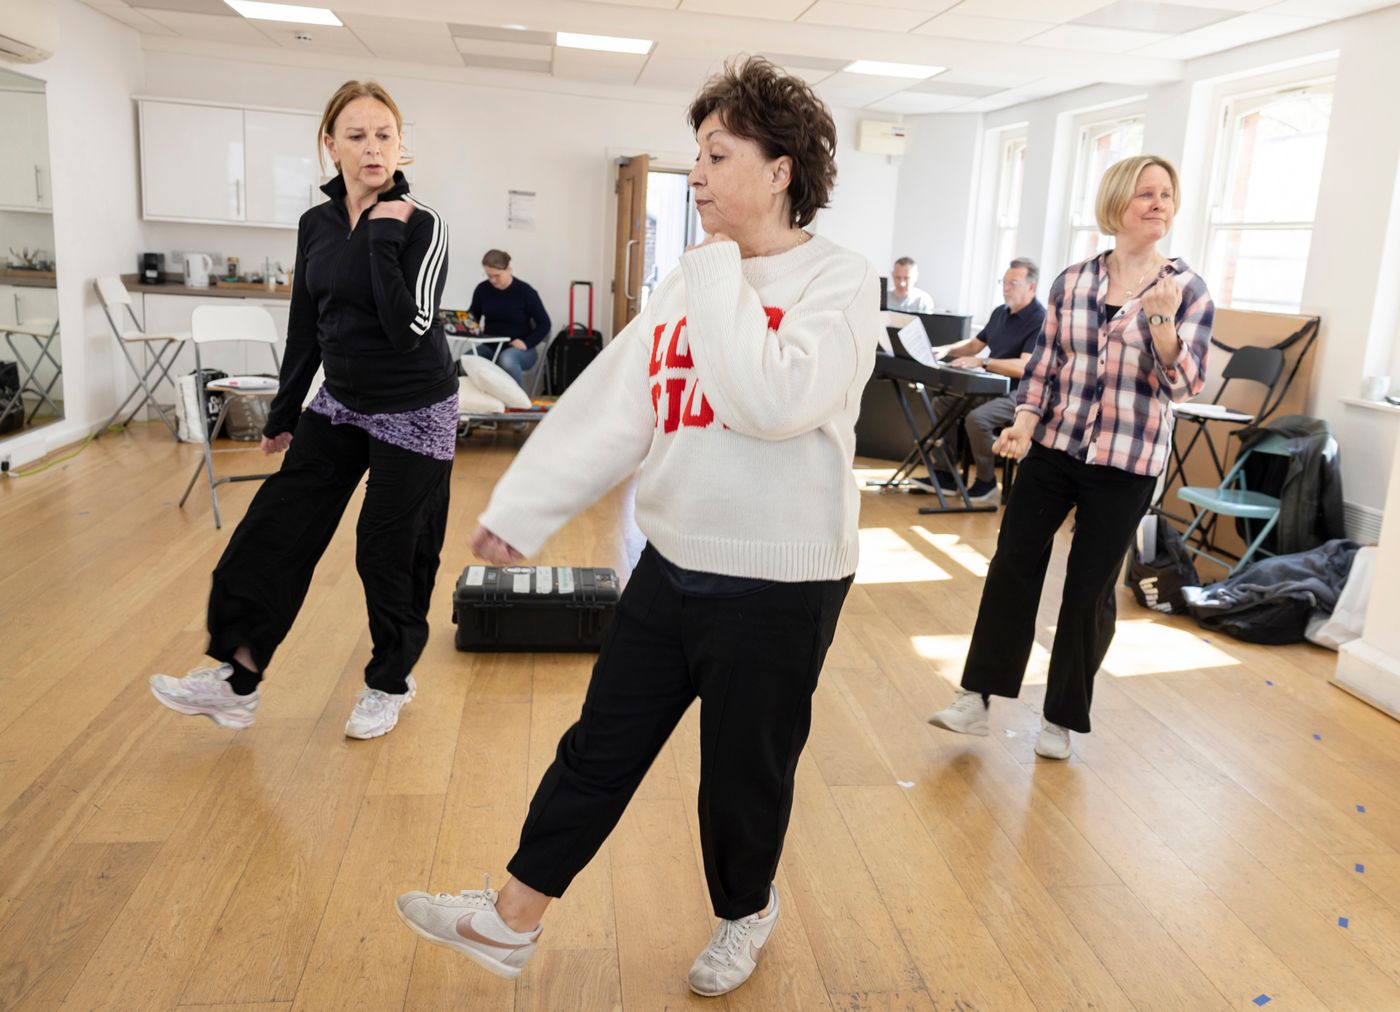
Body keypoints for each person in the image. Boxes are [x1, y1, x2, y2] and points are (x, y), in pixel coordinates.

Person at [394, 56, 879, 997]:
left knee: (742, 779)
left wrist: (716, 274)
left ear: (781, 170)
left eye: (716, 154)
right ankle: (511, 919)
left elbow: (770, 399)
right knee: (601, 744)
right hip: (674, 558)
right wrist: (521, 512)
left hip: (781, 579)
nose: (695, 174)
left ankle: (746, 914)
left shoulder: (837, 281)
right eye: (695, 155)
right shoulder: (687, 286)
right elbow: (617, 403)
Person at [149, 80, 455, 741]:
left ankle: (389, 682)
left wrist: (379, 234)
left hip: (415, 406)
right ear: (330, 146)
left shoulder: (421, 223)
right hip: (341, 402)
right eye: (357, 135)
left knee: (386, 550)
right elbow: (304, 325)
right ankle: (237, 678)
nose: (372, 147)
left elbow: (410, 326)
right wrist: (285, 411)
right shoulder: (315, 224)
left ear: (401, 145)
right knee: (274, 528)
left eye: (384, 135)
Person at [927, 155, 1213, 760]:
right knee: (1013, 564)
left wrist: (1163, 325)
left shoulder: (1187, 290)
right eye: (1145, 194)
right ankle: (976, 697)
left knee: (1088, 589)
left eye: (1166, 194)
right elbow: (1045, 367)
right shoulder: (1075, 280)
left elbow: (1186, 384)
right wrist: (1024, 426)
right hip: (1056, 446)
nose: (1159, 204)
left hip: (1127, 459)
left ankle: (1060, 717)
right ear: (1116, 205)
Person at [927, 258, 1045, 505]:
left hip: (1020, 394)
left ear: (1031, 287)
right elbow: (974, 345)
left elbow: (1024, 367)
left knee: (977, 419)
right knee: (942, 404)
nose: (1006, 288)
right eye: (1004, 282)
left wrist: (982, 362)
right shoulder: (999, 312)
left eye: (1013, 283)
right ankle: (946, 475)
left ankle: (987, 481)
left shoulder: (1039, 319)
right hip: (990, 386)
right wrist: (943, 349)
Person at [466, 250, 551, 388]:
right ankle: (478, 404)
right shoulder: (482, 289)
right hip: (491, 347)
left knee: (506, 360)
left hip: (522, 350)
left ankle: (517, 405)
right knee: (467, 361)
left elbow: (545, 324)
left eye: (497, 275)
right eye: (489, 276)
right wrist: (471, 327)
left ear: (509, 270)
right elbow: (472, 317)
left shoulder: (526, 292)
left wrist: (526, 342)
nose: (493, 280)